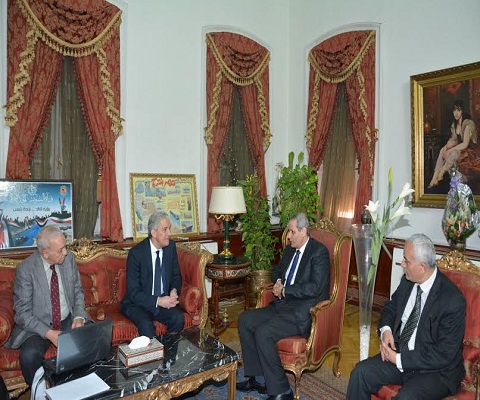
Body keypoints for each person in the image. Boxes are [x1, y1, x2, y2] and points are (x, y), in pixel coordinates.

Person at [346, 234, 466, 400]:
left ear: (422, 267)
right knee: (360, 373)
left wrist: (398, 359)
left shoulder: (452, 300)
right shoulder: (408, 281)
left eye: (406, 261)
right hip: (401, 353)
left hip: (435, 371)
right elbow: (390, 308)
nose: (402, 264)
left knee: (405, 398)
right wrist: (386, 330)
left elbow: (444, 354)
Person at [236, 212, 331, 400]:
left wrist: (286, 290)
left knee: (264, 333)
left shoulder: (318, 252)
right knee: (245, 320)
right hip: (282, 305)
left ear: (303, 231)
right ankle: (259, 378)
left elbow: (315, 287)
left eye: (292, 232)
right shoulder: (290, 249)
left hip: (301, 312)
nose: (288, 236)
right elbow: (277, 270)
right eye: (288, 231)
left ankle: (282, 391)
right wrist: (279, 281)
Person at [4, 226, 89, 388]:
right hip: (38, 325)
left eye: (65, 247)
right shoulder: (26, 270)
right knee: (29, 356)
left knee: (91, 337)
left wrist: (78, 316)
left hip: (67, 318)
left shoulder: (69, 259)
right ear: (45, 253)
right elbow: (22, 314)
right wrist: (49, 333)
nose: (65, 252)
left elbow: (78, 291)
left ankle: (82, 389)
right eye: (60, 250)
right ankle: (41, 393)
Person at [120, 211, 184, 337]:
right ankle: (153, 351)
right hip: (138, 304)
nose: (169, 233)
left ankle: (169, 349)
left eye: (169, 228)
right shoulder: (136, 253)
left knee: (178, 318)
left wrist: (174, 291)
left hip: (163, 301)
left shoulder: (170, 247)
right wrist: (158, 301)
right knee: (146, 326)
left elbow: (176, 276)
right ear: (154, 233)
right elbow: (133, 292)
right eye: (165, 229)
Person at [428, 100, 478, 188]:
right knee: (442, 150)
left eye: (459, 110)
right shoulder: (455, 124)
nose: (456, 113)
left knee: (453, 153)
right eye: (454, 110)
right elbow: (454, 140)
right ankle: (434, 178)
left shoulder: (467, 124)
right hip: (460, 149)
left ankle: (441, 173)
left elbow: (465, 144)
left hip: (469, 151)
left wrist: (450, 150)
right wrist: (446, 147)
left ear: (462, 111)